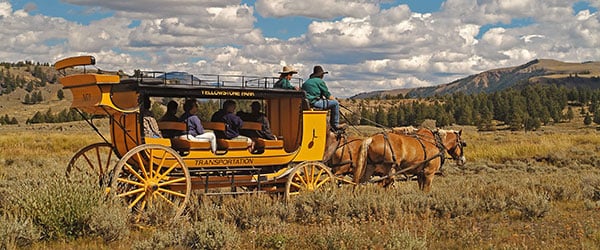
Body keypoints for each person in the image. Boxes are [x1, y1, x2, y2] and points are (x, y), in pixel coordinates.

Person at [302, 65, 346, 131]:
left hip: (307, 104)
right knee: (335, 104)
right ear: (321, 75)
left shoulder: (306, 82)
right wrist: (337, 102)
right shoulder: (319, 81)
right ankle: (335, 125)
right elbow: (327, 95)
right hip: (315, 103)